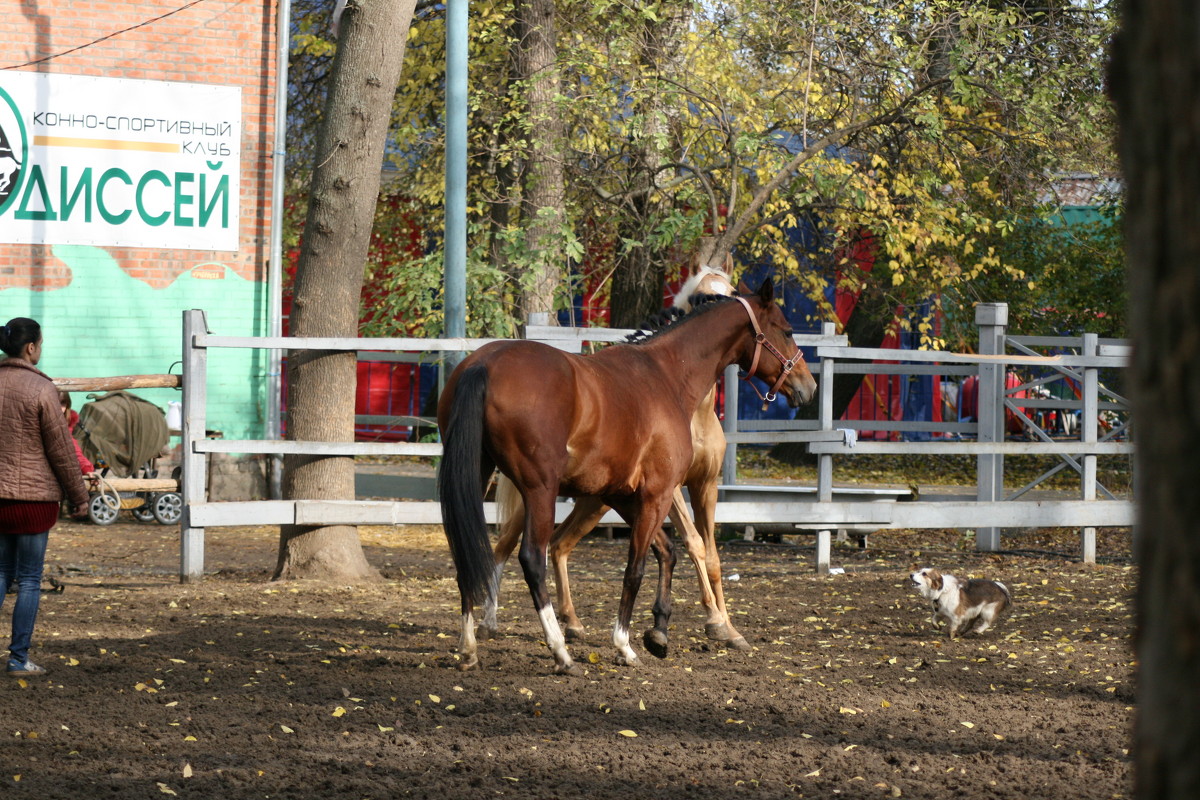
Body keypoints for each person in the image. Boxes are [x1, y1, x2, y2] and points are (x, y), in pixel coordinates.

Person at [0, 318, 89, 675]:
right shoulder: (42, 389)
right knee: (30, 580)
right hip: (34, 503)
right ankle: (19, 658)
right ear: (32, 347)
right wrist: (79, 496)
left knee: (1, 572)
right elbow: (61, 450)